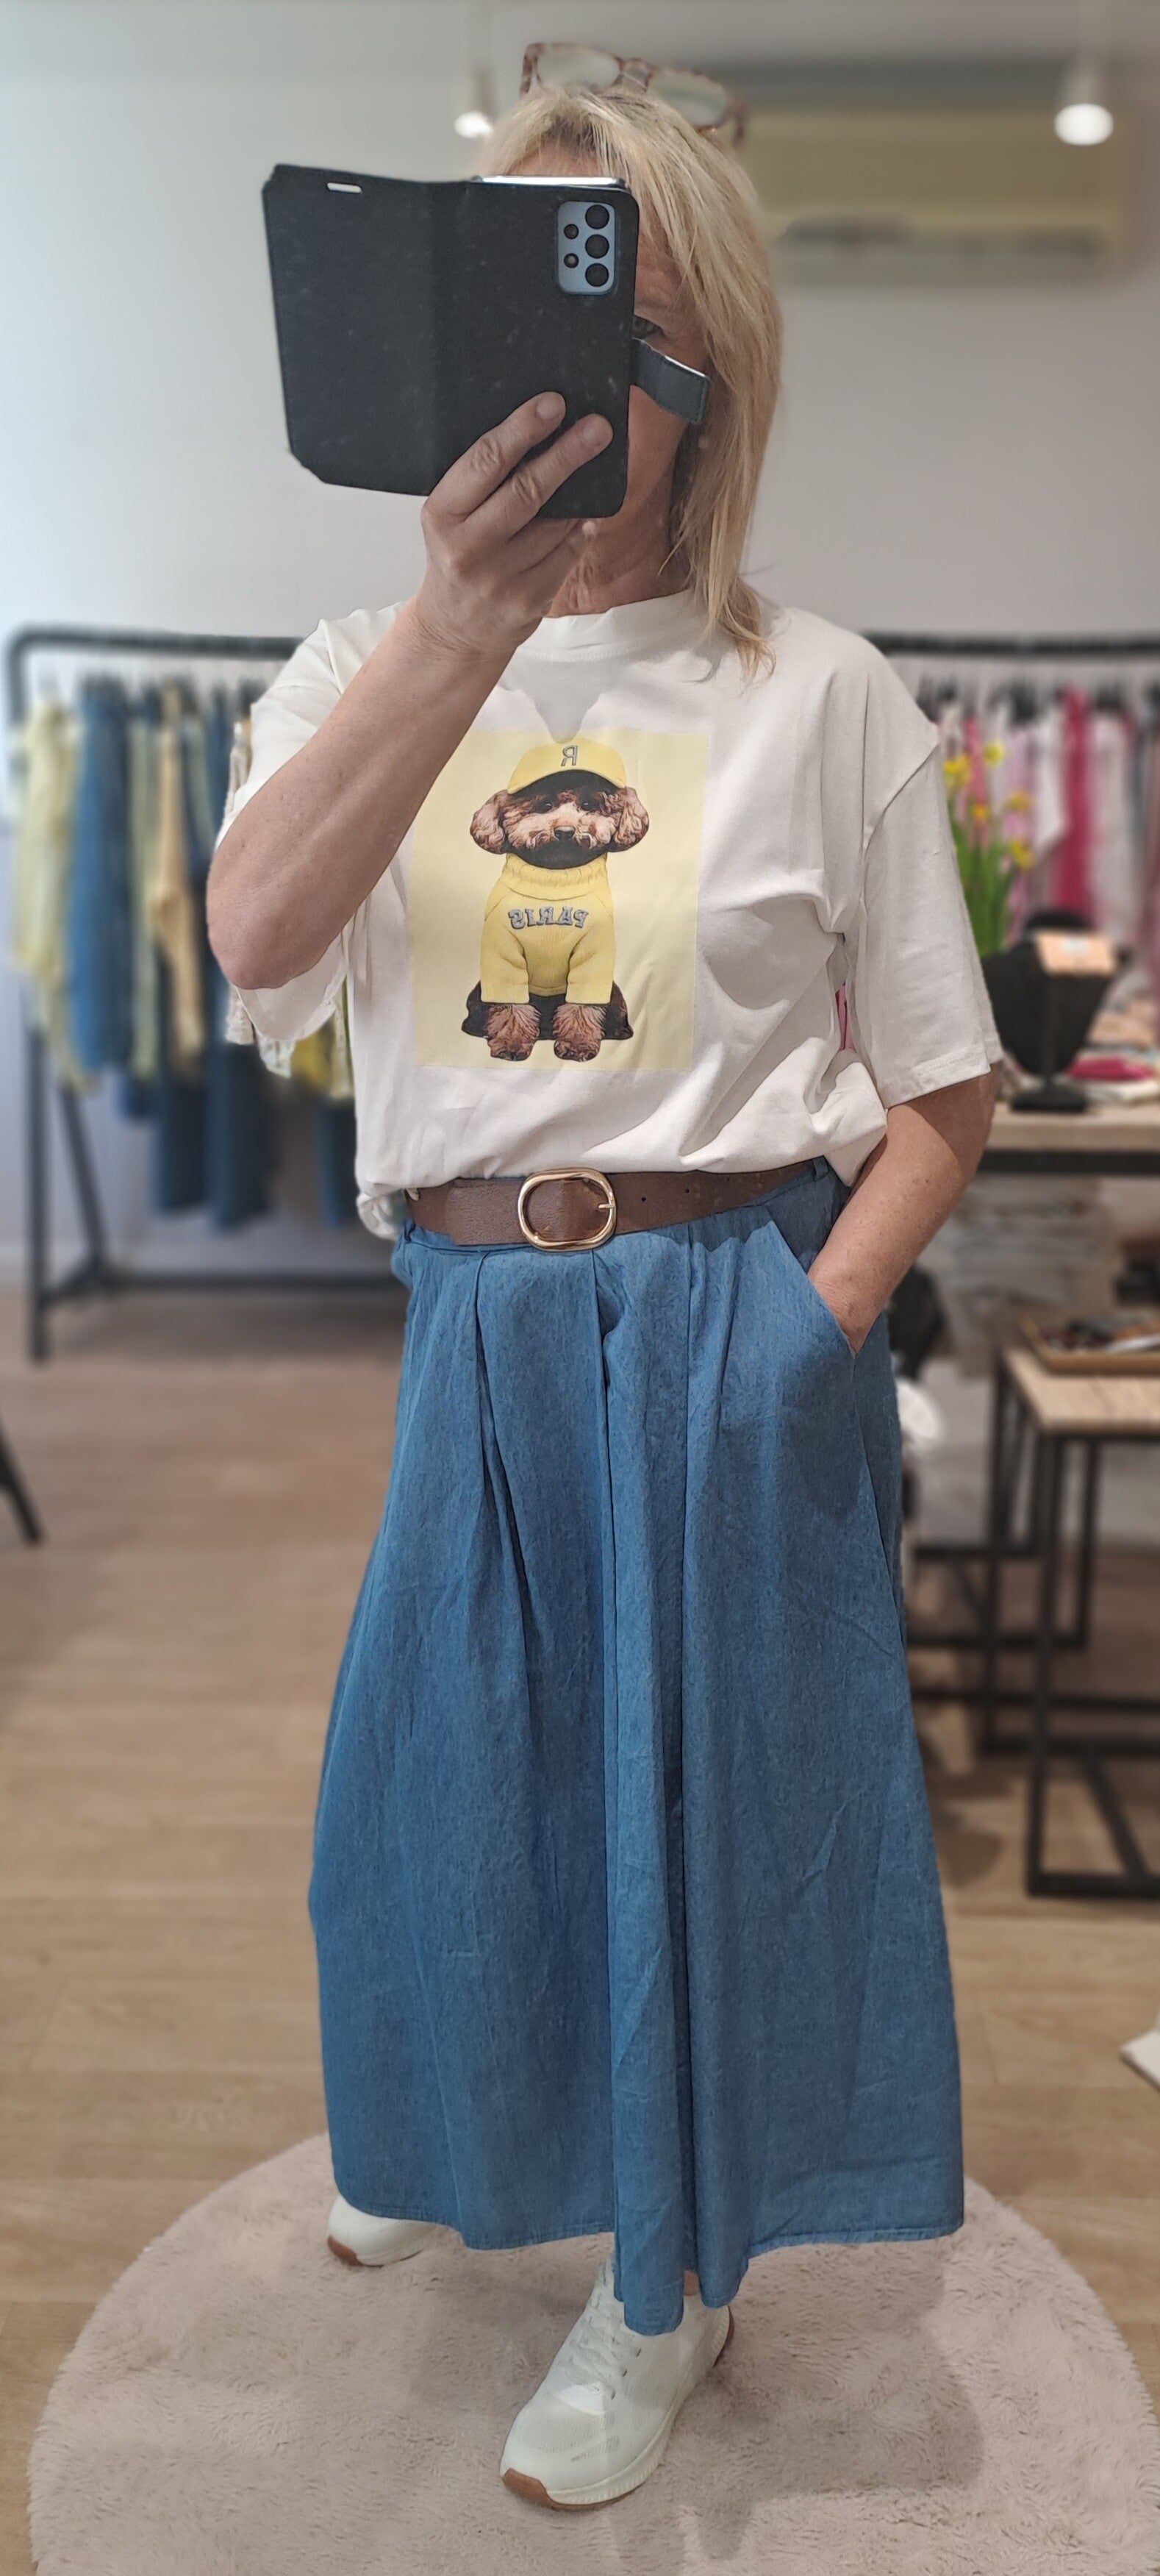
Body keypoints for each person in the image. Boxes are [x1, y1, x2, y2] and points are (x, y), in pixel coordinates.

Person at [207, 74, 1002, 2516]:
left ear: (698, 364)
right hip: (473, 1320)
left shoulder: (818, 690)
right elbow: (256, 942)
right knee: (441, 1781)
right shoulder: (349, 663)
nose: (549, 382)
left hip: (721, 1307)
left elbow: (944, 1088)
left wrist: (807, 1327)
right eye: (502, 310)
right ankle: (459, 2122)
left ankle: (663, 2282)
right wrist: (457, 626)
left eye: (604, 314)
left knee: (700, 1815)